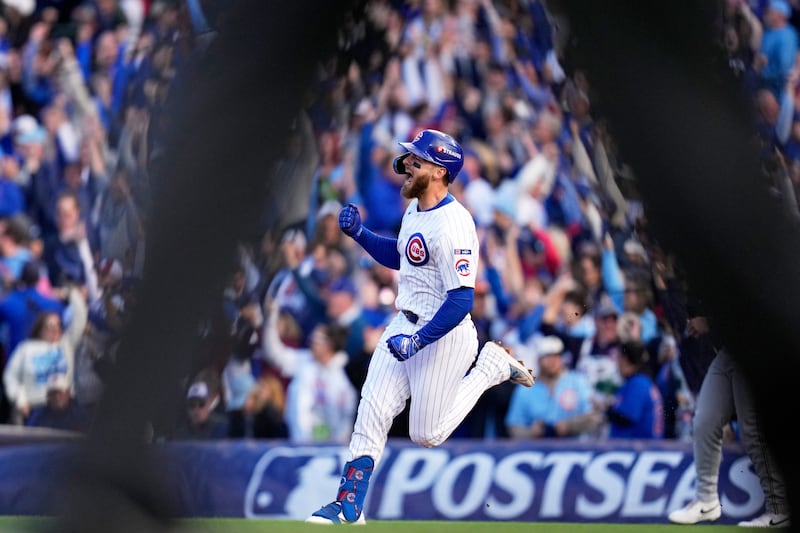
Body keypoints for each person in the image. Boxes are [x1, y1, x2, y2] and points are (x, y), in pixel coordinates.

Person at [306, 129, 534, 525]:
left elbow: (461, 300)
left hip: (443, 334)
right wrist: (360, 235)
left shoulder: (456, 223)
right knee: (372, 411)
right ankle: (348, 505)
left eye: (417, 159)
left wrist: (418, 341)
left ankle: (491, 367)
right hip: (405, 322)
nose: (407, 164)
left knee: (426, 435)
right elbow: (402, 256)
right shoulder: (415, 210)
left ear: (440, 170)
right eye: (409, 158)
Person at [668, 320, 790, 527]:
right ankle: (707, 501)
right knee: (704, 422)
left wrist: (710, 322)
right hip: (730, 351)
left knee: (752, 429)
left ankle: (779, 509)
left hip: (757, 346)